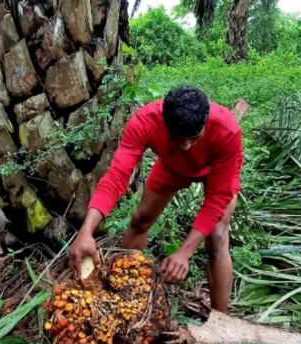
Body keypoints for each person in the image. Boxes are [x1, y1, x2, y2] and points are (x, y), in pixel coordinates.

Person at [69, 86, 243, 313]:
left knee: (218, 235)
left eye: (194, 138)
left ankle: (221, 322)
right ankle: (125, 299)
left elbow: (217, 200)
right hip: (172, 166)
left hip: (216, 170)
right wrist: (86, 230)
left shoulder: (226, 130)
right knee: (141, 219)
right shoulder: (144, 122)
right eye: (177, 138)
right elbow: (115, 178)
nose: (186, 146)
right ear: (164, 122)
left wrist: (184, 253)